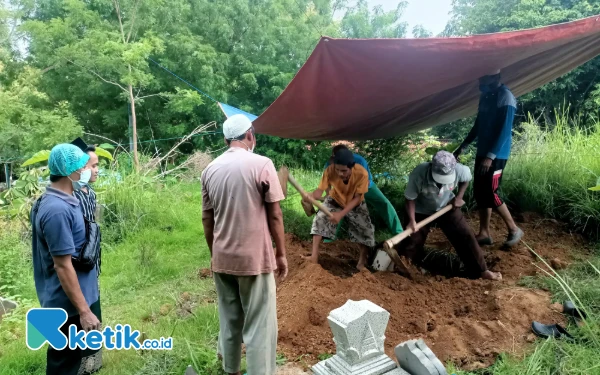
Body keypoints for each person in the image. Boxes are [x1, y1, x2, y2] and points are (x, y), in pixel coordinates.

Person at [201, 114, 288, 375]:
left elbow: (207, 218)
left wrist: (215, 254)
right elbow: (275, 214)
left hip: (223, 258)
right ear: (249, 134)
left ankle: (232, 370)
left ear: (226, 139)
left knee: (229, 320)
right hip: (254, 260)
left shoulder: (209, 169)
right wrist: (281, 254)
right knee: (260, 324)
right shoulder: (262, 164)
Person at [31, 144, 101, 375]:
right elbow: (62, 265)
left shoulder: (63, 200)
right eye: (83, 166)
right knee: (64, 365)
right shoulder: (57, 210)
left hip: (72, 301)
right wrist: (84, 311)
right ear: (71, 172)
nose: (87, 170)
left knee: (72, 361)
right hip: (66, 307)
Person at [396, 151, 502, 281]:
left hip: (447, 206)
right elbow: (410, 199)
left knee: (464, 235)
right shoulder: (419, 173)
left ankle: (481, 271)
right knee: (412, 240)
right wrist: (412, 221)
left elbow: (466, 180)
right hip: (420, 209)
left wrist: (459, 197)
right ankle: (406, 272)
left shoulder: (461, 170)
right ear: (431, 166)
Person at [454, 72, 524, 247]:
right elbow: (478, 125)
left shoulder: (506, 97)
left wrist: (490, 156)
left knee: (491, 192)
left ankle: (514, 229)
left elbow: (504, 131)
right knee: (480, 192)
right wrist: (463, 145)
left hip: (497, 155)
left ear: (496, 79)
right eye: (480, 79)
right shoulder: (485, 97)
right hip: (482, 152)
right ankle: (484, 233)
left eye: (484, 80)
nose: (481, 83)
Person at [305, 148, 375, 270]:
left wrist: (341, 214)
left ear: (352, 167)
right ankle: (314, 256)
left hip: (355, 202)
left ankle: (361, 263)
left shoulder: (362, 174)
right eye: (337, 170)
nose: (340, 173)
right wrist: (310, 196)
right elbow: (319, 192)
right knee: (319, 219)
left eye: (344, 171)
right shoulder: (329, 171)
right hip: (335, 199)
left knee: (366, 230)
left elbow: (358, 198)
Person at [323, 145, 403, 241]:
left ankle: (399, 233)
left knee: (384, 203)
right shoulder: (330, 164)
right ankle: (328, 240)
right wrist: (328, 194)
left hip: (366, 187)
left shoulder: (359, 161)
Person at [71, 137, 103, 374]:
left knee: (94, 303)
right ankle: (81, 361)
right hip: (75, 262)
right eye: (92, 165)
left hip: (91, 259)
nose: (96, 170)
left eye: (96, 165)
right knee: (79, 309)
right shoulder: (69, 197)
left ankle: (94, 356)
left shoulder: (89, 193)